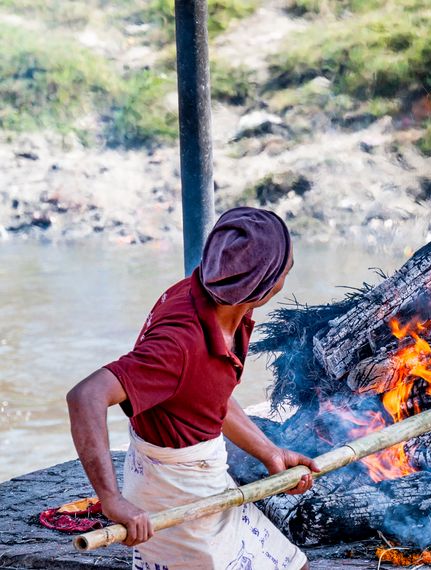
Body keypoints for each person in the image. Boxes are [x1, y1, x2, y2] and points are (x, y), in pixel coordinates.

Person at [67, 207, 316, 569]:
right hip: (176, 495)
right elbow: (85, 396)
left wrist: (269, 452)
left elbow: (208, 394)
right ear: (265, 287)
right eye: (285, 267)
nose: (288, 271)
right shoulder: (178, 344)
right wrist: (111, 499)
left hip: (207, 476)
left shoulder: (226, 301)